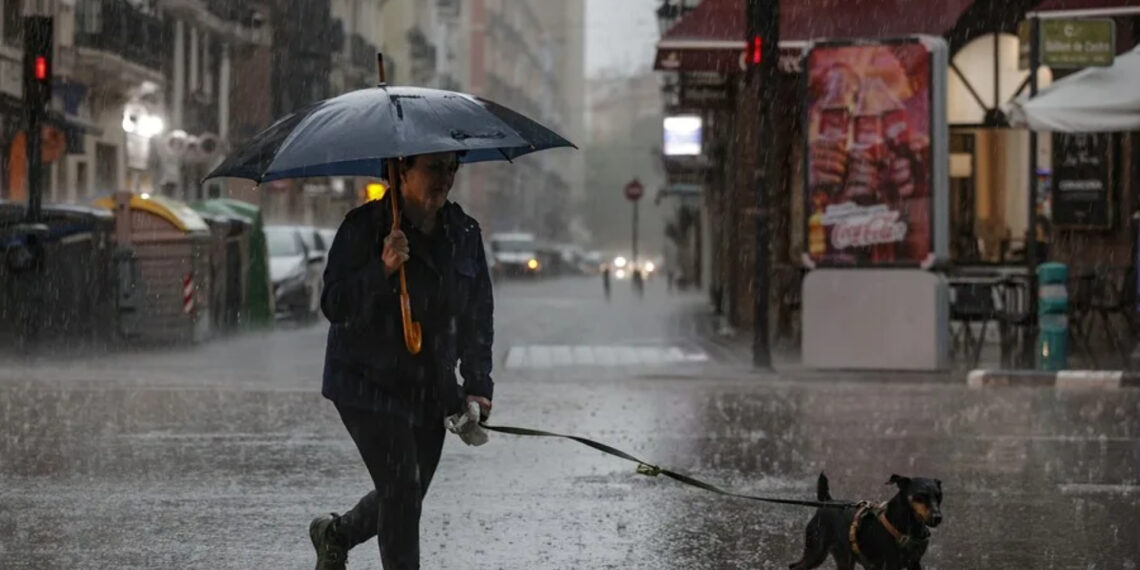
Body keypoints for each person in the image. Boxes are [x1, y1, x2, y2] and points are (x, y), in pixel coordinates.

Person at [310, 151, 494, 570]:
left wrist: (478, 385)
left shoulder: (464, 232)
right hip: (364, 382)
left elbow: (477, 313)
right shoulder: (364, 227)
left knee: (406, 494)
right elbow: (335, 304)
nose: (445, 178)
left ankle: (336, 534)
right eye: (434, 167)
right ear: (399, 170)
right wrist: (382, 268)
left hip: (430, 385)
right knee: (402, 489)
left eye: (452, 167)